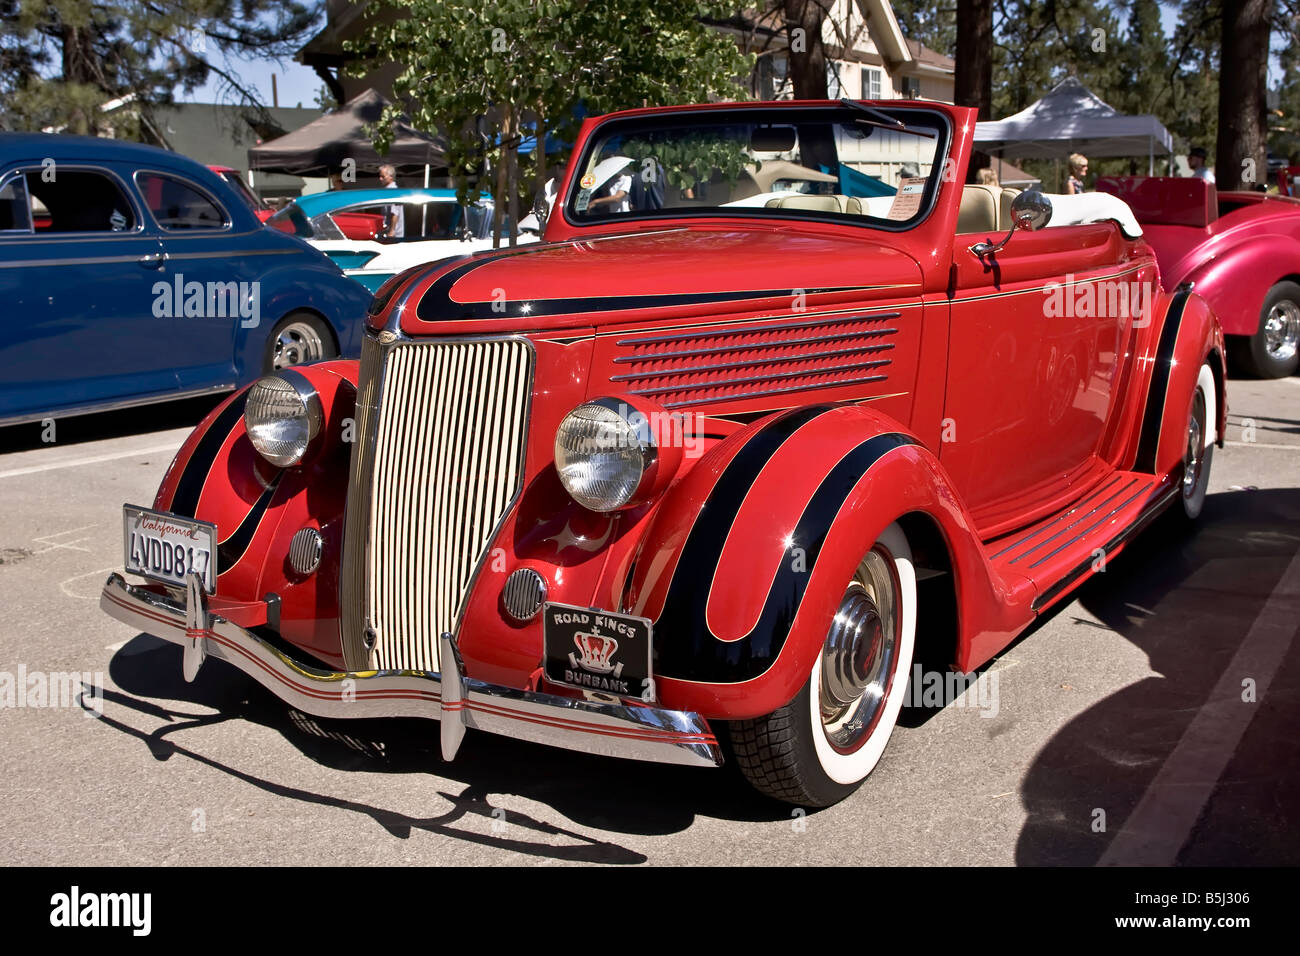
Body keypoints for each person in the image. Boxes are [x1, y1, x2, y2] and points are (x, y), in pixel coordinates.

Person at [378, 163, 404, 238]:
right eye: (380, 176)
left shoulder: (393, 192)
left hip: (393, 235)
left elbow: (395, 213)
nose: (380, 179)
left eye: (383, 176)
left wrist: (392, 231)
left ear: (391, 177)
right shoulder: (388, 191)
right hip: (388, 232)